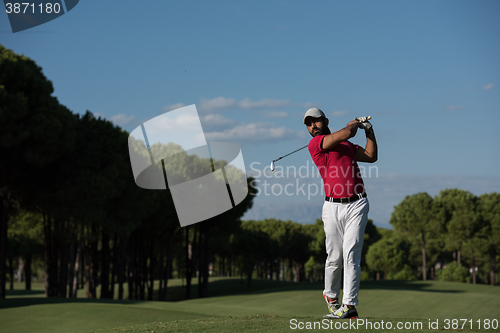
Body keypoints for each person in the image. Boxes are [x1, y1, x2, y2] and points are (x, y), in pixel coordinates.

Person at [303, 108, 377, 319]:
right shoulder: (315, 144)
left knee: (351, 255)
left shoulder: (346, 145)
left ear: (325, 121)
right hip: (332, 207)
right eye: (309, 124)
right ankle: (331, 296)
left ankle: (349, 306)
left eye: (315, 122)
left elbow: (371, 156)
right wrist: (353, 125)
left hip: (357, 204)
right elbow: (346, 133)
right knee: (334, 257)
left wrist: (368, 130)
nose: (312, 127)